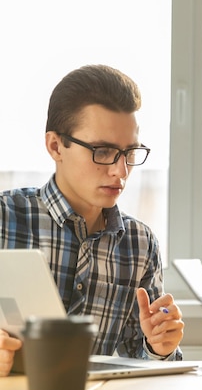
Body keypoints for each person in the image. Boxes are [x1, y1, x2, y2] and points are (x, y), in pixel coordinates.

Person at [0, 65, 185, 377]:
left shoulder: (139, 245)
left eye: (129, 153)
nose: (120, 171)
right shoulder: (6, 217)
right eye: (102, 151)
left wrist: (160, 347)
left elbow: (138, 367)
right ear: (55, 146)